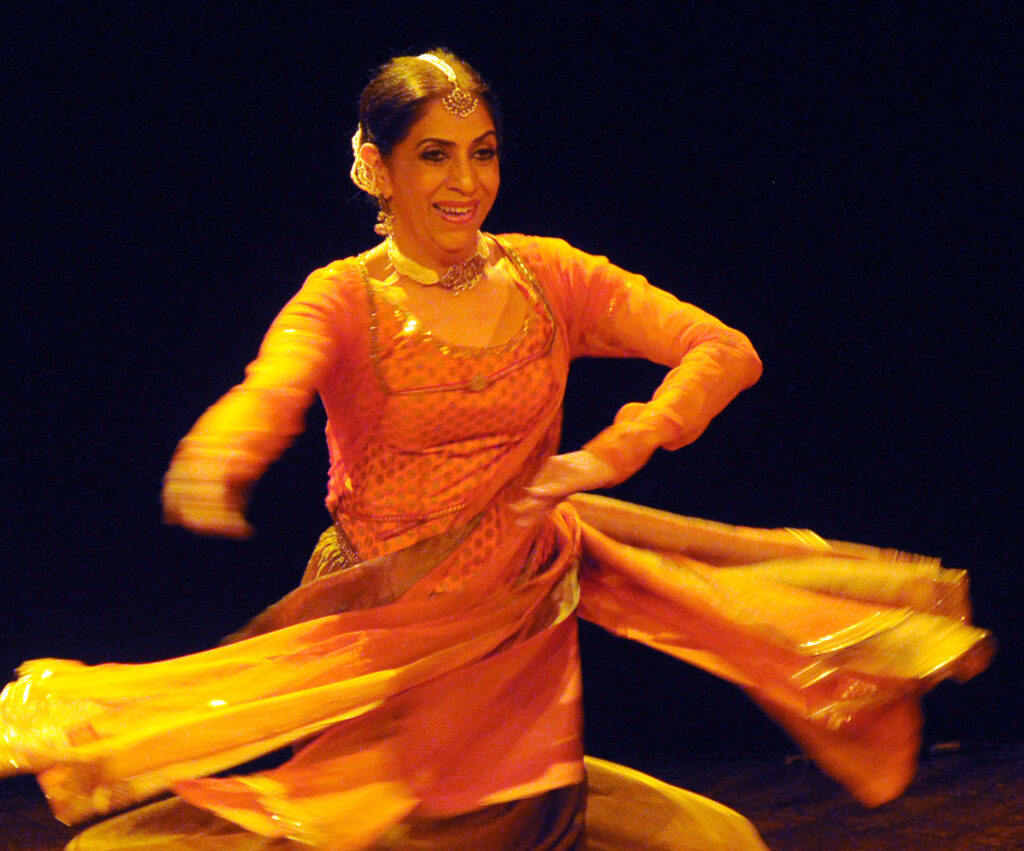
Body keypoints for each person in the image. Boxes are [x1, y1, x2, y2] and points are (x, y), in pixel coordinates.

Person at [0, 50, 992, 850]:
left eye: (482, 151)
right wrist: (220, 452)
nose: (465, 180)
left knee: (596, 823)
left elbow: (721, 349)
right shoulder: (341, 296)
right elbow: (273, 387)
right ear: (374, 164)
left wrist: (609, 453)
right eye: (434, 154)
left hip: (513, 620)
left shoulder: (549, 277)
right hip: (388, 623)